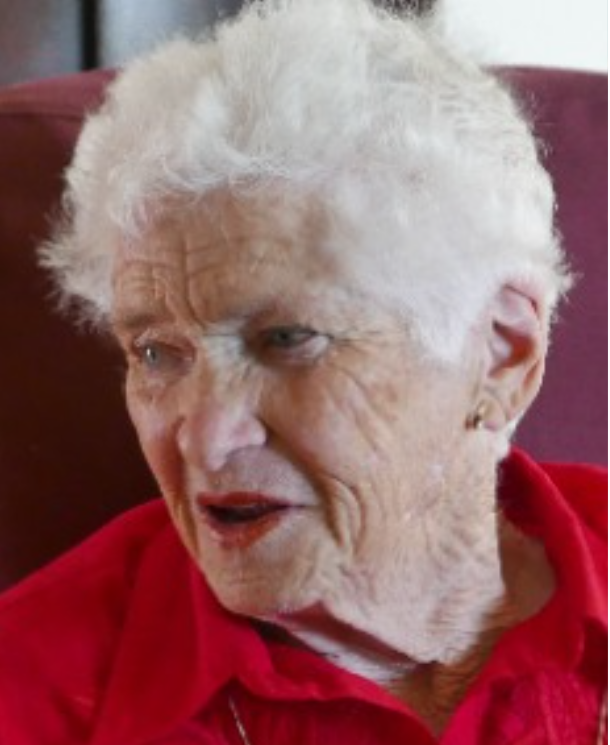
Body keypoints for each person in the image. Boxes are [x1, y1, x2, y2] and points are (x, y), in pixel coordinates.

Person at [0, 1, 606, 743]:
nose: (206, 439)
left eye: (287, 340)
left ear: (503, 353)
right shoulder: (29, 691)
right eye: (157, 352)